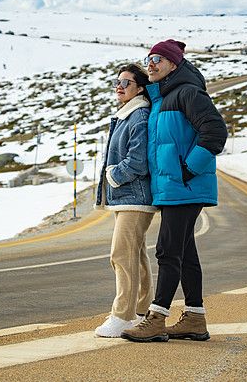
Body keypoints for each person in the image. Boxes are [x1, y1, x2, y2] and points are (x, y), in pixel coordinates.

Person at [121, 39, 228, 343]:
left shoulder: (187, 92)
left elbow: (216, 132)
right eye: (149, 58)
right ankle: (195, 317)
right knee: (185, 253)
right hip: (173, 187)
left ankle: (156, 318)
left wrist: (188, 169)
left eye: (158, 58)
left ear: (174, 64)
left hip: (185, 186)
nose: (151, 63)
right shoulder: (163, 97)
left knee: (167, 251)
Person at [93, 63, 157, 337]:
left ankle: (122, 316)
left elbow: (138, 161)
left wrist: (113, 175)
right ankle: (142, 310)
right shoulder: (128, 114)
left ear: (140, 88)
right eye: (117, 82)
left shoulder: (138, 115)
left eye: (126, 82)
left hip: (135, 195)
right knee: (136, 254)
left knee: (121, 254)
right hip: (129, 197)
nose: (119, 86)